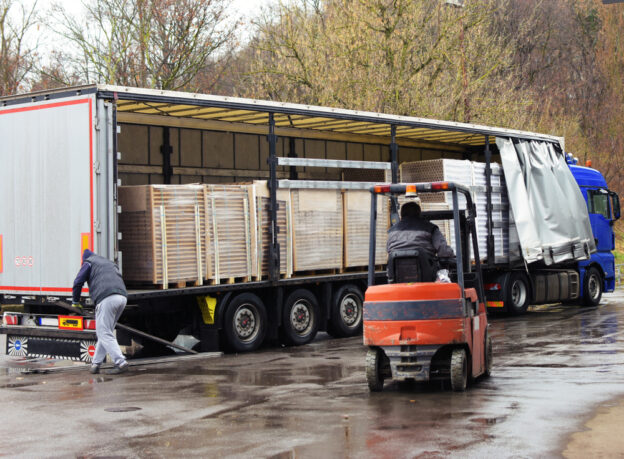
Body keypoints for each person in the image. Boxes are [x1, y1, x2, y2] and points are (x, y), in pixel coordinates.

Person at [72, 249, 129, 375]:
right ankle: (96, 364)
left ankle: (121, 362)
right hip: (122, 297)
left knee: (104, 332)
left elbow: (78, 282)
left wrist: (75, 301)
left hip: (107, 298)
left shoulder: (88, 262)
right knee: (104, 333)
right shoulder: (107, 263)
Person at [387, 198, 455, 265]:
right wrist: (451, 254)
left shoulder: (391, 231)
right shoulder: (430, 228)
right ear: (419, 213)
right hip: (426, 272)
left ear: (401, 214)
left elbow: (388, 249)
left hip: (396, 272)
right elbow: (443, 251)